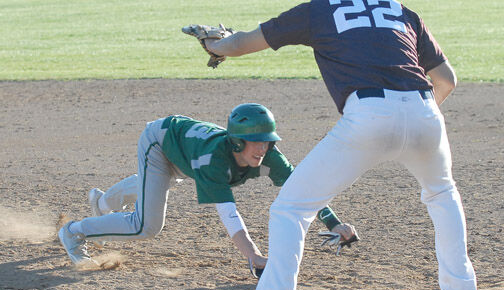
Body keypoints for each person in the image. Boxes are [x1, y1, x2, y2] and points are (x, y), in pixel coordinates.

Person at [205, 0, 478, 290]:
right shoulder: (402, 10)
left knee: (291, 207)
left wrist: (214, 44)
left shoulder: (319, 10)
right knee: (441, 194)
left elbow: (243, 43)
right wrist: (413, 118)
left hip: (368, 116)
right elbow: (447, 81)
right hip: (425, 112)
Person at [58, 103, 355, 272]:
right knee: (146, 225)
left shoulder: (269, 157)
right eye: (256, 140)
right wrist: (252, 255)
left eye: (267, 140)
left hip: (186, 151)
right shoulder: (214, 160)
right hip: (160, 143)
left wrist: (334, 221)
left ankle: (103, 204)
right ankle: (74, 231)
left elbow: (300, 190)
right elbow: (228, 215)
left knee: (157, 185)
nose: (263, 147)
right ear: (237, 141)